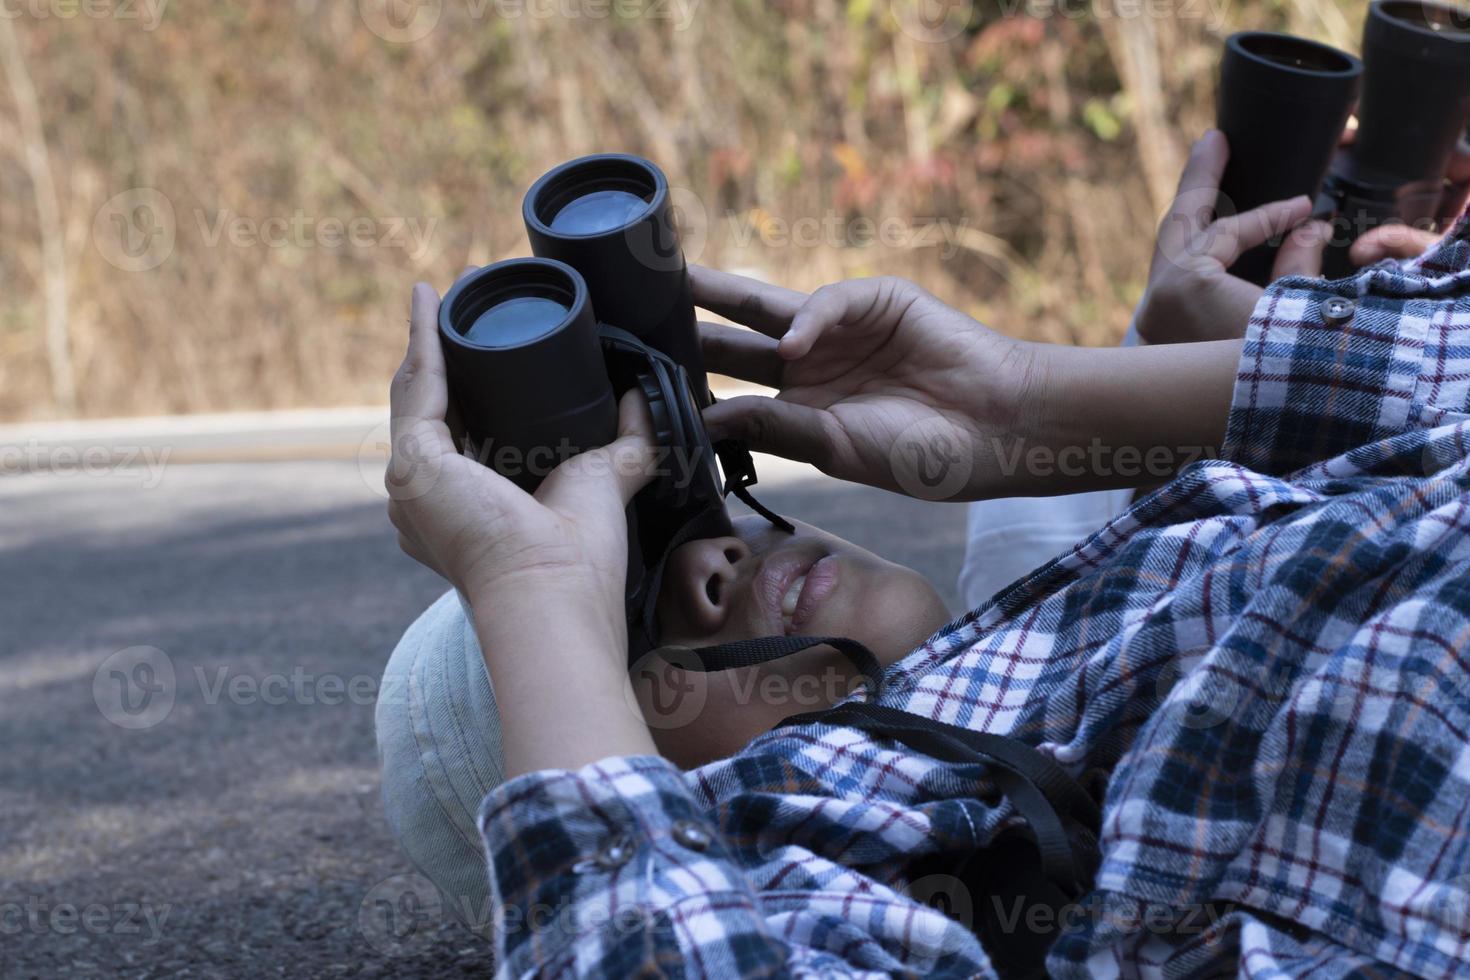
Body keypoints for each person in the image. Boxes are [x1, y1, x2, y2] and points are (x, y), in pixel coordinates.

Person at [377, 131, 1470, 975]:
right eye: (624, 629)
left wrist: (1034, 401)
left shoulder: (1082, 605)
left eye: (676, 524)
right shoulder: (852, 874)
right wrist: (534, 590)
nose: (712, 560)